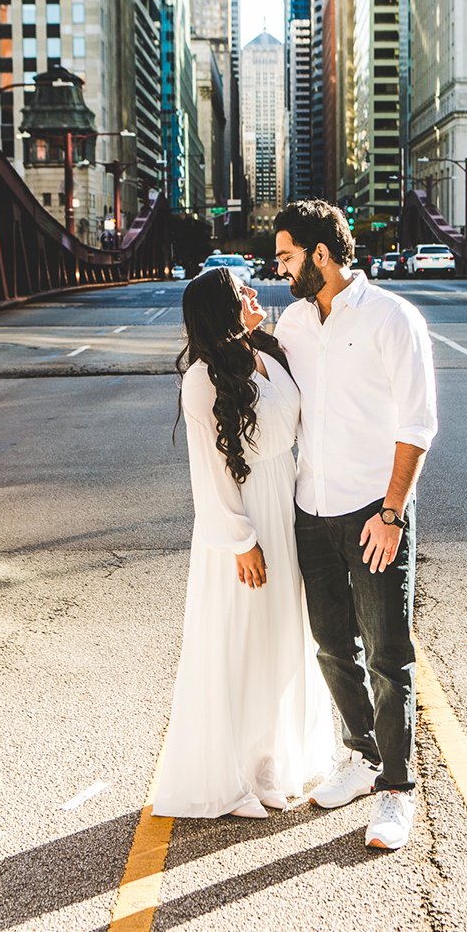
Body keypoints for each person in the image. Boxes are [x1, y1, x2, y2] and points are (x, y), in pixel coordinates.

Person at [272, 200, 438, 852]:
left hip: (375, 512)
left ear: (319, 254)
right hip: (310, 513)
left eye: (286, 256)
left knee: (389, 655)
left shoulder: (392, 319)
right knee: (333, 646)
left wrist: (393, 512)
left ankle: (397, 789)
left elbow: (417, 424)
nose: (279, 268)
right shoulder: (292, 320)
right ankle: (362, 756)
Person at [153, 268, 334, 820]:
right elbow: (208, 474)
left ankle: (269, 765)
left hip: (287, 509)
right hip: (243, 522)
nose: (256, 294)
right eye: (243, 292)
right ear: (222, 311)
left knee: (280, 638)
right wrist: (241, 541)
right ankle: (232, 778)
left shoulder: (269, 354)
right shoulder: (202, 382)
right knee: (239, 643)